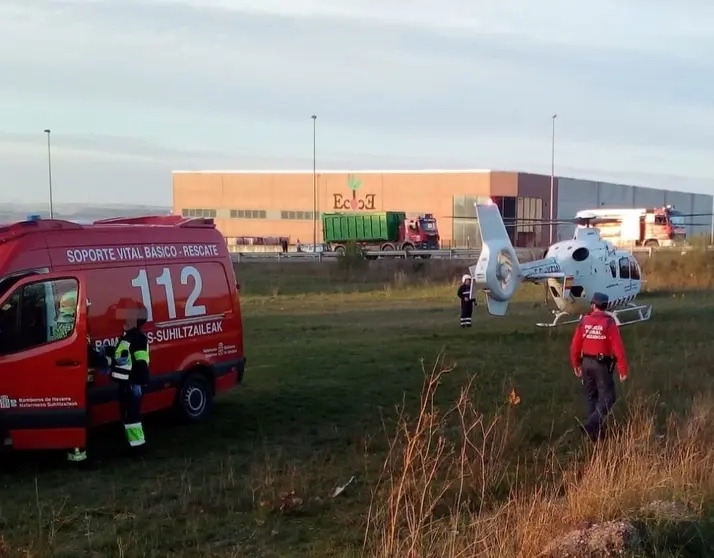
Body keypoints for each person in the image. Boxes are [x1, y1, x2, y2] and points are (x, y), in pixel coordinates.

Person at [570, 292, 629, 441]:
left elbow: (575, 345)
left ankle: (595, 435)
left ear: (593, 305)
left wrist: (576, 363)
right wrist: (622, 368)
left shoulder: (584, 321)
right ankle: (592, 425)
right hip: (602, 365)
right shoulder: (609, 323)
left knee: (592, 397)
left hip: (586, 363)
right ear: (605, 306)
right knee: (608, 397)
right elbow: (618, 347)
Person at [110, 305, 150, 454]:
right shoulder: (127, 336)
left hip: (132, 384)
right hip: (125, 384)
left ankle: (138, 447)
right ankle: (132, 444)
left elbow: (140, 363)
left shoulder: (137, 338)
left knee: (132, 417)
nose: (123, 320)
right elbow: (121, 355)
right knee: (127, 416)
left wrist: (138, 384)